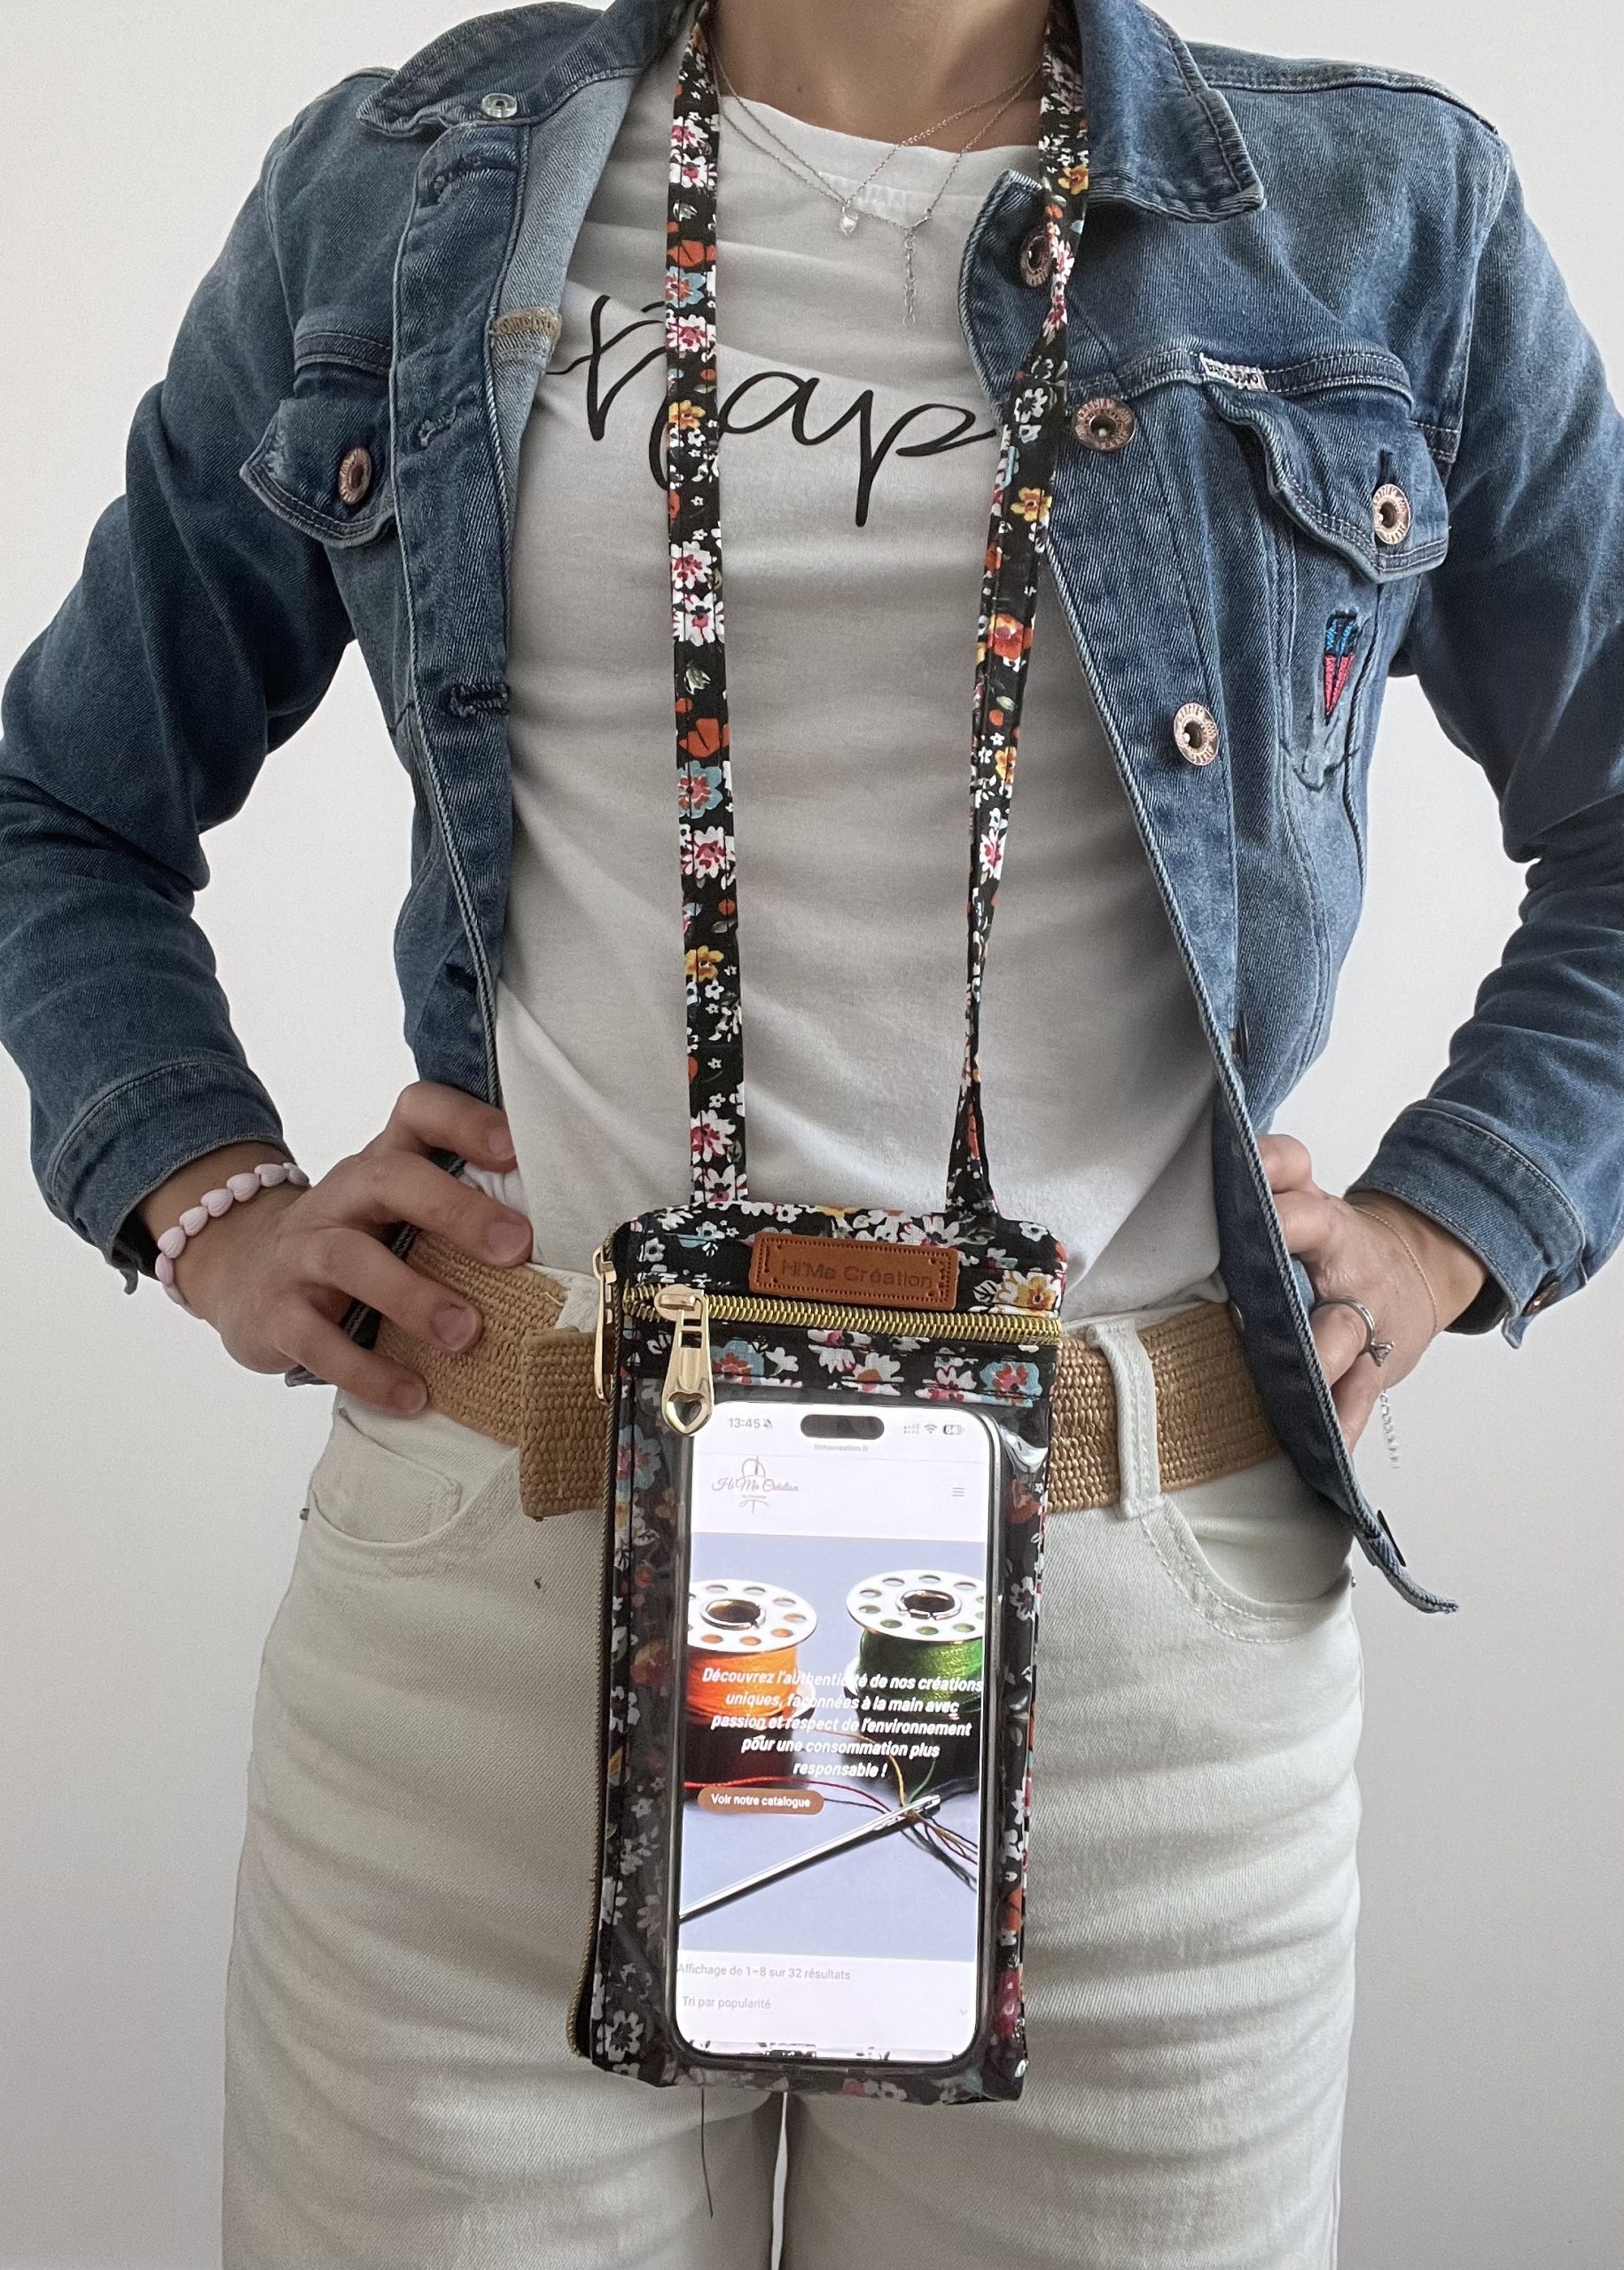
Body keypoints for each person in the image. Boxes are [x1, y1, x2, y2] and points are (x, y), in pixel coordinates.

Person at [2, 0, 1620, 2261]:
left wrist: (1462, 1217)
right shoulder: (394, 181)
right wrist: (206, 1187)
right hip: (491, 1633)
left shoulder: (1378, 218)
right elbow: (62, 801)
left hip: (1144, 1690)